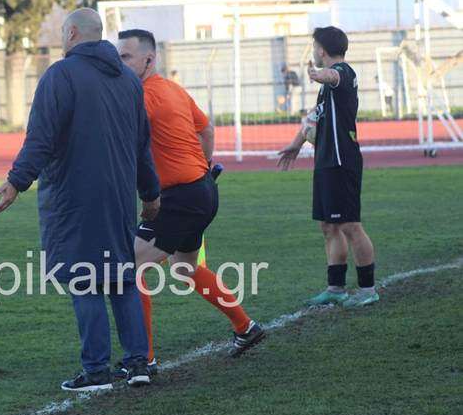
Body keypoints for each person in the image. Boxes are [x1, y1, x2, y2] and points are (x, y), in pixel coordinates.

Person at [0, 8, 161, 391]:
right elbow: (142, 146)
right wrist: (150, 194)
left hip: (73, 197)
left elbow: (40, 138)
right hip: (119, 197)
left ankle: (96, 370)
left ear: (70, 34)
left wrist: (16, 181)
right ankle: (138, 363)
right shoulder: (129, 81)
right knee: (121, 278)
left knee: (84, 280)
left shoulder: (60, 75)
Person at [115, 29, 265, 373]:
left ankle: (143, 359)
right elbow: (206, 129)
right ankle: (245, 327)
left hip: (180, 198)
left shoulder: (144, 96)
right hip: (203, 190)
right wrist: (203, 166)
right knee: (185, 268)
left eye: (125, 56)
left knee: (129, 269)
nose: (119, 63)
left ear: (148, 60)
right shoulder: (173, 89)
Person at [277, 26, 378, 308]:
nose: (313, 51)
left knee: (350, 225)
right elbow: (313, 118)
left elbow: (333, 76)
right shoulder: (325, 91)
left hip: (341, 160)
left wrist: (316, 74)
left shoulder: (343, 72)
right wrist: (296, 145)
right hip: (325, 161)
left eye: (314, 46)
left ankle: (368, 290)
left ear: (321, 50)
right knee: (329, 225)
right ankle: (335, 288)